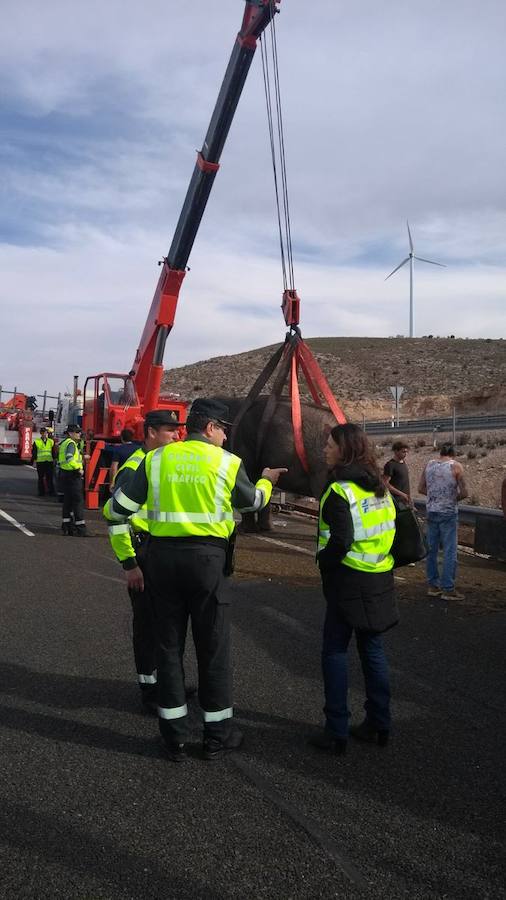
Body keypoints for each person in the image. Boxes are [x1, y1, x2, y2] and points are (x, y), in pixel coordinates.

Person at [105, 398, 287, 763]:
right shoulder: (227, 462)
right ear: (210, 428)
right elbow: (252, 503)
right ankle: (216, 737)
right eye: (224, 430)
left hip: (161, 562)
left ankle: (174, 738)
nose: (225, 438)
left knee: (168, 648)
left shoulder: (156, 460)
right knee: (213, 647)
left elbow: (115, 510)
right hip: (207, 563)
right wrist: (267, 481)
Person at [311, 423, 398, 756]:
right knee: (372, 649)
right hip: (379, 578)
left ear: (344, 450)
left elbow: (341, 541)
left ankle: (336, 729)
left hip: (348, 581)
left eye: (330, 445)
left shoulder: (339, 491)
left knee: (334, 651)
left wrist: (324, 562)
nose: (325, 449)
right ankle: (379, 722)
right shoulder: (379, 488)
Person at [104, 410, 181, 714]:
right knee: (147, 628)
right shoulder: (134, 467)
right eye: (169, 431)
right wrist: (129, 563)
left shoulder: (161, 464)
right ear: (150, 433)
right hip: (142, 555)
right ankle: (149, 690)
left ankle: (166, 683)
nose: (176, 436)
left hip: (160, 553)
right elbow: (116, 519)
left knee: (166, 626)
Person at [418, 442, 468, 600]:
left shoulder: (429, 465)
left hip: (432, 511)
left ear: (440, 453)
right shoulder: (456, 466)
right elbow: (465, 492)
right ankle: (448, 588)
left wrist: (435, 497)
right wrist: (451, 499)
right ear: (453, 454)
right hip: (448, 513)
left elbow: (420, 488)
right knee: (449, 551)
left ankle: (433, 586)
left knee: (432, 550)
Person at [59, 425, 87, 536]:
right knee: (78, 502)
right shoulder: (71, 443)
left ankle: (67, 526)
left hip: (65, 474)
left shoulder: (65, 443)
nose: (79, 434)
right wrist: (78, 469)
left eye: (79, 432)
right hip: (73, 475)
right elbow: (70, 458)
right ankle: (81, 529)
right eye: (77, 432)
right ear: (70, 433)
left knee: (68, 502)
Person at [383, 440, 411, 507]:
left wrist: (408, 497)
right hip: (396, 501)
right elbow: (385, 484)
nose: (406, 454)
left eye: (406, 452)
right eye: (403, 452)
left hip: (405, 500)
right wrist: (402, 494)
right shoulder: (390, 465)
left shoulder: (403, 463)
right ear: (396, 451)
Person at [31, 427, 56, 496]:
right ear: (41, 434)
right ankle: (41, 492)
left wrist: (54, 460)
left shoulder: (51, 441)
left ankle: (51, 492)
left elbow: (53, 452)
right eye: (43, 433)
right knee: (41, 478)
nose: (44, 434)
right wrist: (34, 461)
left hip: (49, 461)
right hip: (40, 462)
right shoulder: (37, 442)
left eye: (45, 433)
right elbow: (34, 452)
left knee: (50, 478)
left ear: (47, 433)